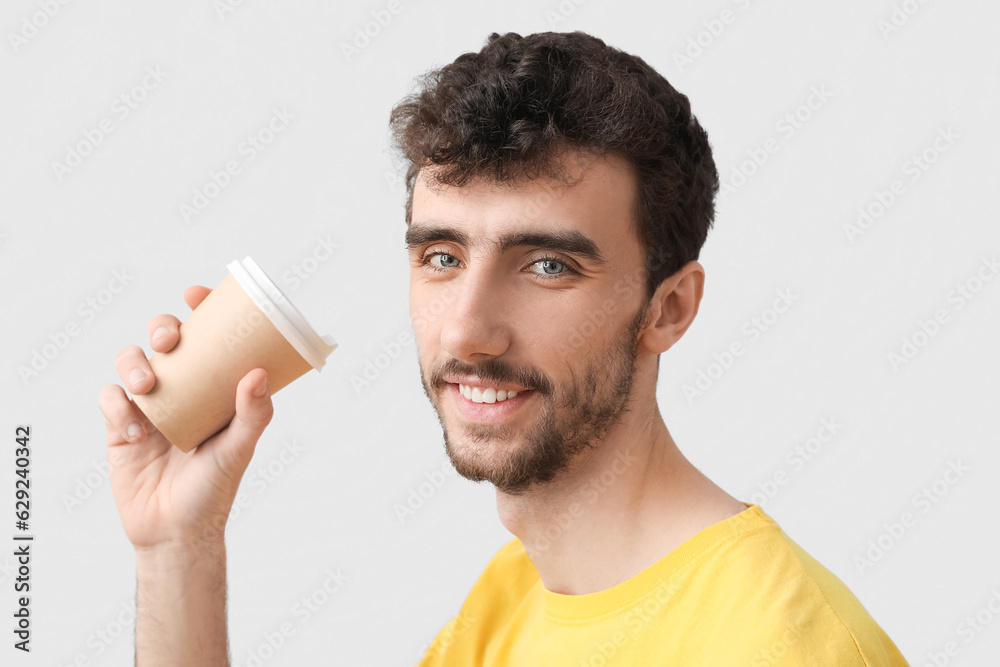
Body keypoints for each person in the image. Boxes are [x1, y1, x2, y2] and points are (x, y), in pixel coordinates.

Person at [99, 31, 909, 666]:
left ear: (668, 308)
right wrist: (178, 547)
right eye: (442, 257)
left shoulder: (786, 646)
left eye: (547, 264)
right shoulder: (511, 599)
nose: (464, 331)